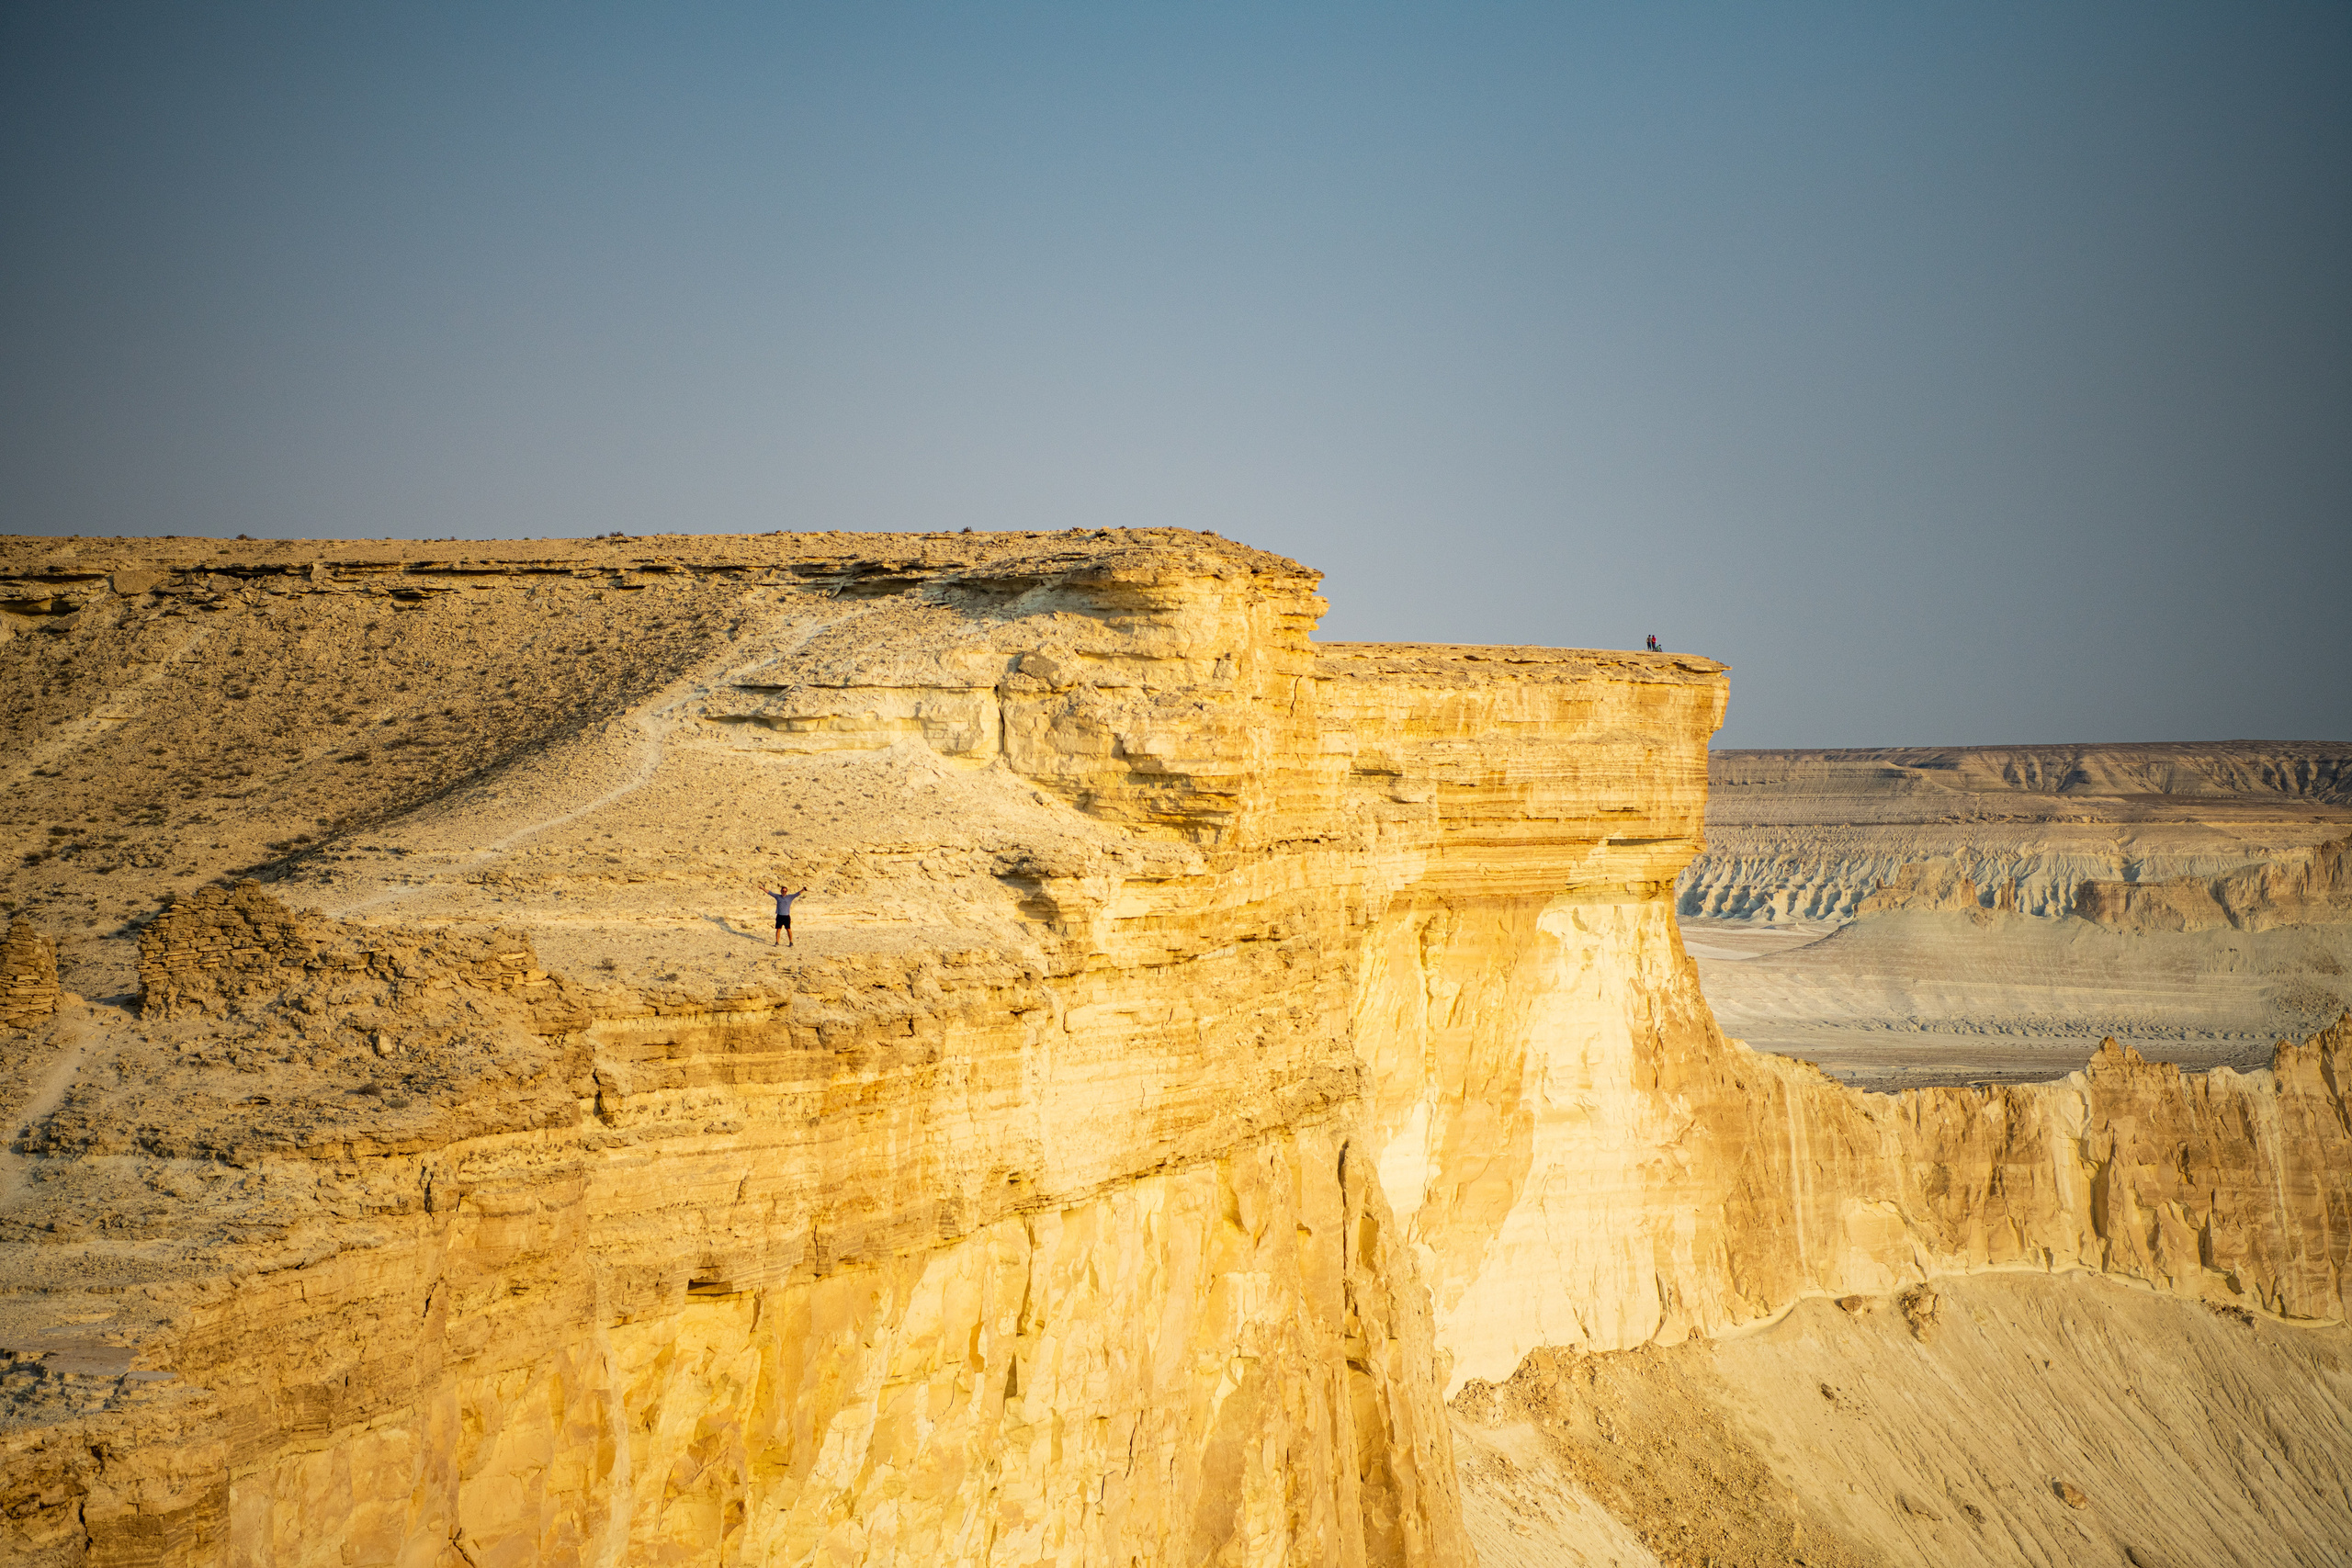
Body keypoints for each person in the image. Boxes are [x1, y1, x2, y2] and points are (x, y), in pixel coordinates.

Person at [758, 882, 805, 947]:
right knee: (778, 929)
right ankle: (777, 942)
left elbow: (797, 894)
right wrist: (762, 888)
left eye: (785, 891)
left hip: (786, 916)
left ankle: (791, 942)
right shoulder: (778, 897)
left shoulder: (790, 897)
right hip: (779, 916)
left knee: (788, 929)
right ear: (781, 891)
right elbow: (769, 892)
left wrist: (803, 890)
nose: (784, 892)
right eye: (783, 891)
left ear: (786, 892)